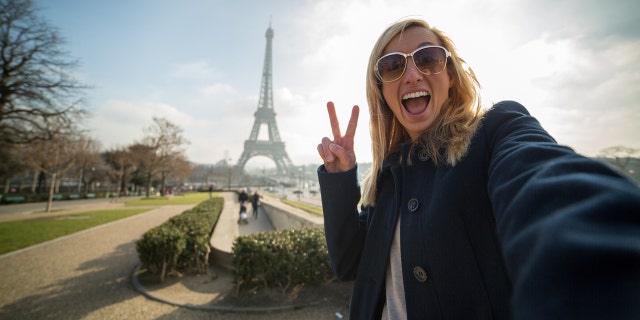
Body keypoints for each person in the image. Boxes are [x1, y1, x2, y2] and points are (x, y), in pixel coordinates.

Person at [316, 18, 640, 320]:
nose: (412, 74)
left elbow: (549, 188)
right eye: (393, 66)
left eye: (427, 58)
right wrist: (341, 178)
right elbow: (347, 263)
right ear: (383, 92)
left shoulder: (496, 133)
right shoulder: (389, 178)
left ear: (451, 76)